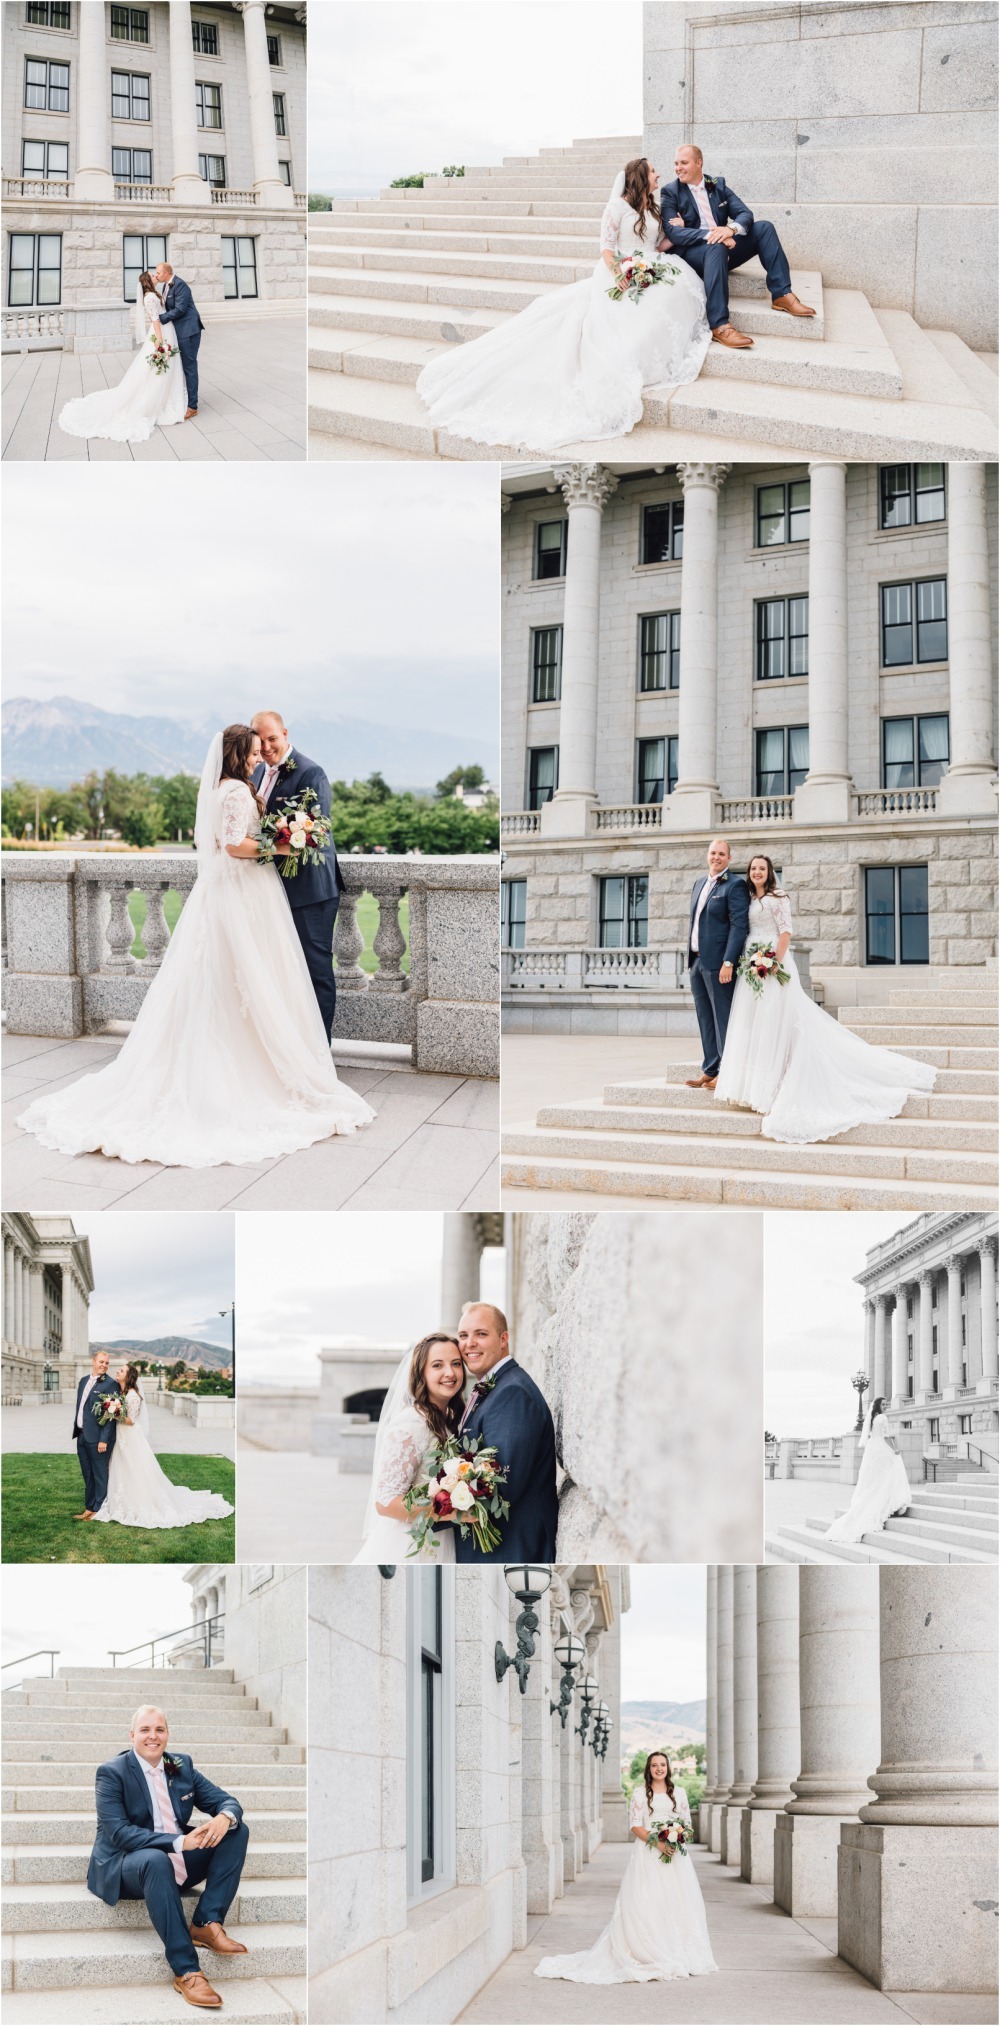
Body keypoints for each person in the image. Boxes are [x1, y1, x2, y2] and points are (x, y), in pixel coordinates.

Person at [17, 725, 374, 1168]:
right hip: (242, 890)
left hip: (231, 892)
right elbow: (232, 844)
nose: (259, 754)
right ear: (238, 754)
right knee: (244, 974)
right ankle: (257, 1067)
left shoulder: (225, 788)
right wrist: (281, 845)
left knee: (228, 978)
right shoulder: (238, 793)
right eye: (252, 750)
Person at [416, 157, 710, 450]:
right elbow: (607, 248)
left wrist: (676, 232)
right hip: (620, 269)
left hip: (651, 264)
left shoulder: (652, 207)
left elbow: (656, 246)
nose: (658, 174)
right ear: (640, 177)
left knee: (673, 292)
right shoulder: (617, 207)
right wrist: (620, 271)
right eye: (653, 171)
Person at [715, 852, 935, 1141]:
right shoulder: (748, 898)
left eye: (762, 869)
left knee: (778, 1019)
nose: (757, 872)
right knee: (754, 1022)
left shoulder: (779, 897)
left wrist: (773, 963)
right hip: (750, 962)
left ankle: (776, 1082)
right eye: (753, 868)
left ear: (769, 873)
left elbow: (785, 933)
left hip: (771, 962)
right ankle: (752, 1085)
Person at [88, 1704, 249, 2011]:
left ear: (167, 1734)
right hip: (128, 1863)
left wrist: (224, 1817)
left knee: (236, 1831)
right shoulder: (112, 1772)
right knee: (155, 1859)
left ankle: (205, 1922)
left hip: (178, 1855)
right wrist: (178, 1841)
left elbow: (226, 1801)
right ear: (133, 1735)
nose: (153, 1736)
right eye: (145, 1730)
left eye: (159, 1730)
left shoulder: (178, 1765)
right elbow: (120, 1833)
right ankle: (187, 1970)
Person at [536, 1751, 718, 1983]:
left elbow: (687, 1825)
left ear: (668, 1767)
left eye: (663, 1764)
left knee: (675, 1901)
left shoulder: (679, 1793)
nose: (659, 1769)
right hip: (649, 1854)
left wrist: (676, 1837)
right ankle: (647, 1950)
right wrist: (659, 1842)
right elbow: (634, 1825)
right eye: (654, 1765)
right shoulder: (641, 1794)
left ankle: (676, 1948)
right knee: (648, 1901)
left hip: (676, 1859)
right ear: (649, 1769)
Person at [658, 143, 816, 348]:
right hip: (694, 256)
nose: (678, 168)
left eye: (683, 163)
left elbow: (745, 214)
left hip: (725, 248)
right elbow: (674, 233)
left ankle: (782, 295)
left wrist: (730, 230)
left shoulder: (717, 184)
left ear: (699, 163)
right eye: (676, 163)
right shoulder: (670, 192)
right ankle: (720, 325)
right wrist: (716, 234)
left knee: (764, 228)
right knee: (715, 245)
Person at [452, 1303, 559, 1562]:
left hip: (509, 1551)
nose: (469, 1344)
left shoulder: (512, 1393)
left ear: (503, 1339)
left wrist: (433, 1510)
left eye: (481, 1334)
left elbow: (500, 1489)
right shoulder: (494, 1386)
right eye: (463, 1336)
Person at [352, 1333, 467, 1564]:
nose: (450, 1373)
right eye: (437, 1365)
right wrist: (455, 1513)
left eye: (456, 1363)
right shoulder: (410, 1425)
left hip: (443, 1538)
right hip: (411, 1545)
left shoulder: (450, 1420)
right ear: (421, 1373)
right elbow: (386, 1503)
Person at [92, 1364, 233, 1529]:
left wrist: (113, 1412)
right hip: (122, 1437)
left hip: (130, 1438)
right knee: (123, 1468)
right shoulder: (121, 1393)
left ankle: (140, 1504)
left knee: (135, 1469)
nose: (117, 1371)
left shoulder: (133, 1396)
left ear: (128, 1376)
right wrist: (113, 1407)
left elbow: (130, 1421)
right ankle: (122, 1501)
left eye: (121, 1370)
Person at [58, 272, 187, 443]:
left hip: (167, 330)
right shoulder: (149, 298)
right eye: (153, 275)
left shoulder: (156, 293)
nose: (156, 276)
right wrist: (160, 341)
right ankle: (156, 401)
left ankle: (167, 396)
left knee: (163, 368)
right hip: (161, 333)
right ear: (148, 281)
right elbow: (155, 320)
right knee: (155, 369)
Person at [685, 838, 750, 1090]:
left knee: (723, 1018)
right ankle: (710, 1069)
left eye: (721, 854)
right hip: (696, 962)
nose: (716, 857)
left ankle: (727, 1071)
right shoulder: (699, 883)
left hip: (718, 964)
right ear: (707, 855)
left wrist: (728, 961)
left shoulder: (735, 885)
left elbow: (739, 925)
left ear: (729, 858)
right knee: (705, 1017)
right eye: (713, 853)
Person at [825, 1397, 912, 1543]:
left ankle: (884, 1500)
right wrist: (895, 1449)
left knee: (878, 1478)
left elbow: (873, 1436)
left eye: (886, 1404)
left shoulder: (873, 1418)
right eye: (883, 1404)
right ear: (878, 1406)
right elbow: (886, 1437)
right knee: (893, 1469)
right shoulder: (883, 1418)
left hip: (873, 1449)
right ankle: (893, 1501)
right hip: (882, 1449)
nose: (886, 1406)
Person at [71, 1350, 121, 1521]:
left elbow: (111, 1415)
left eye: (107, 1363)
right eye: (101, 1362)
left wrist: (103, 1440)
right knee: (87, 1473)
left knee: (100, 1474)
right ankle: (89, 1507)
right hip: (82, 1436)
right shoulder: (83, 1381)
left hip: (99, 1439)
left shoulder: (111, 1384)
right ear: (93, 1362)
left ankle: (99, 1509)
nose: (104, 1365)